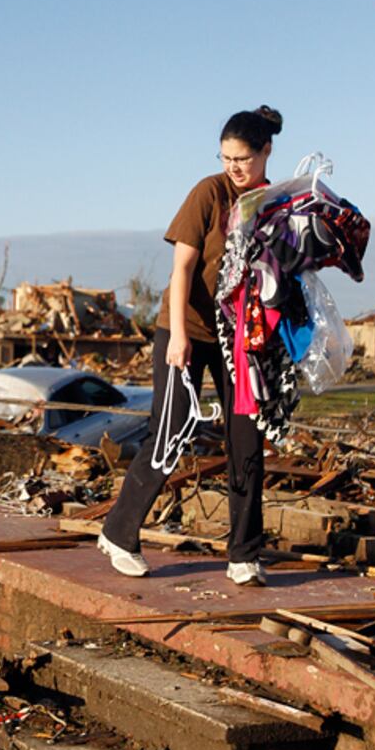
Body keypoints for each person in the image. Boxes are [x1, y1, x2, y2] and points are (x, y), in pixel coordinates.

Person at [98, 105, 283, 587]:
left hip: (240, 340)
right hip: (186, 328)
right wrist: (177, 336)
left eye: (242, 158)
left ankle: (244, 554)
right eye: (226, 158)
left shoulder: (273, 203)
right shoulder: (210, 192)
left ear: (266, 151)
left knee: (246, 438)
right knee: (172, 426)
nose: (234, 167)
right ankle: (119, 533)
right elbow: (181, 269)